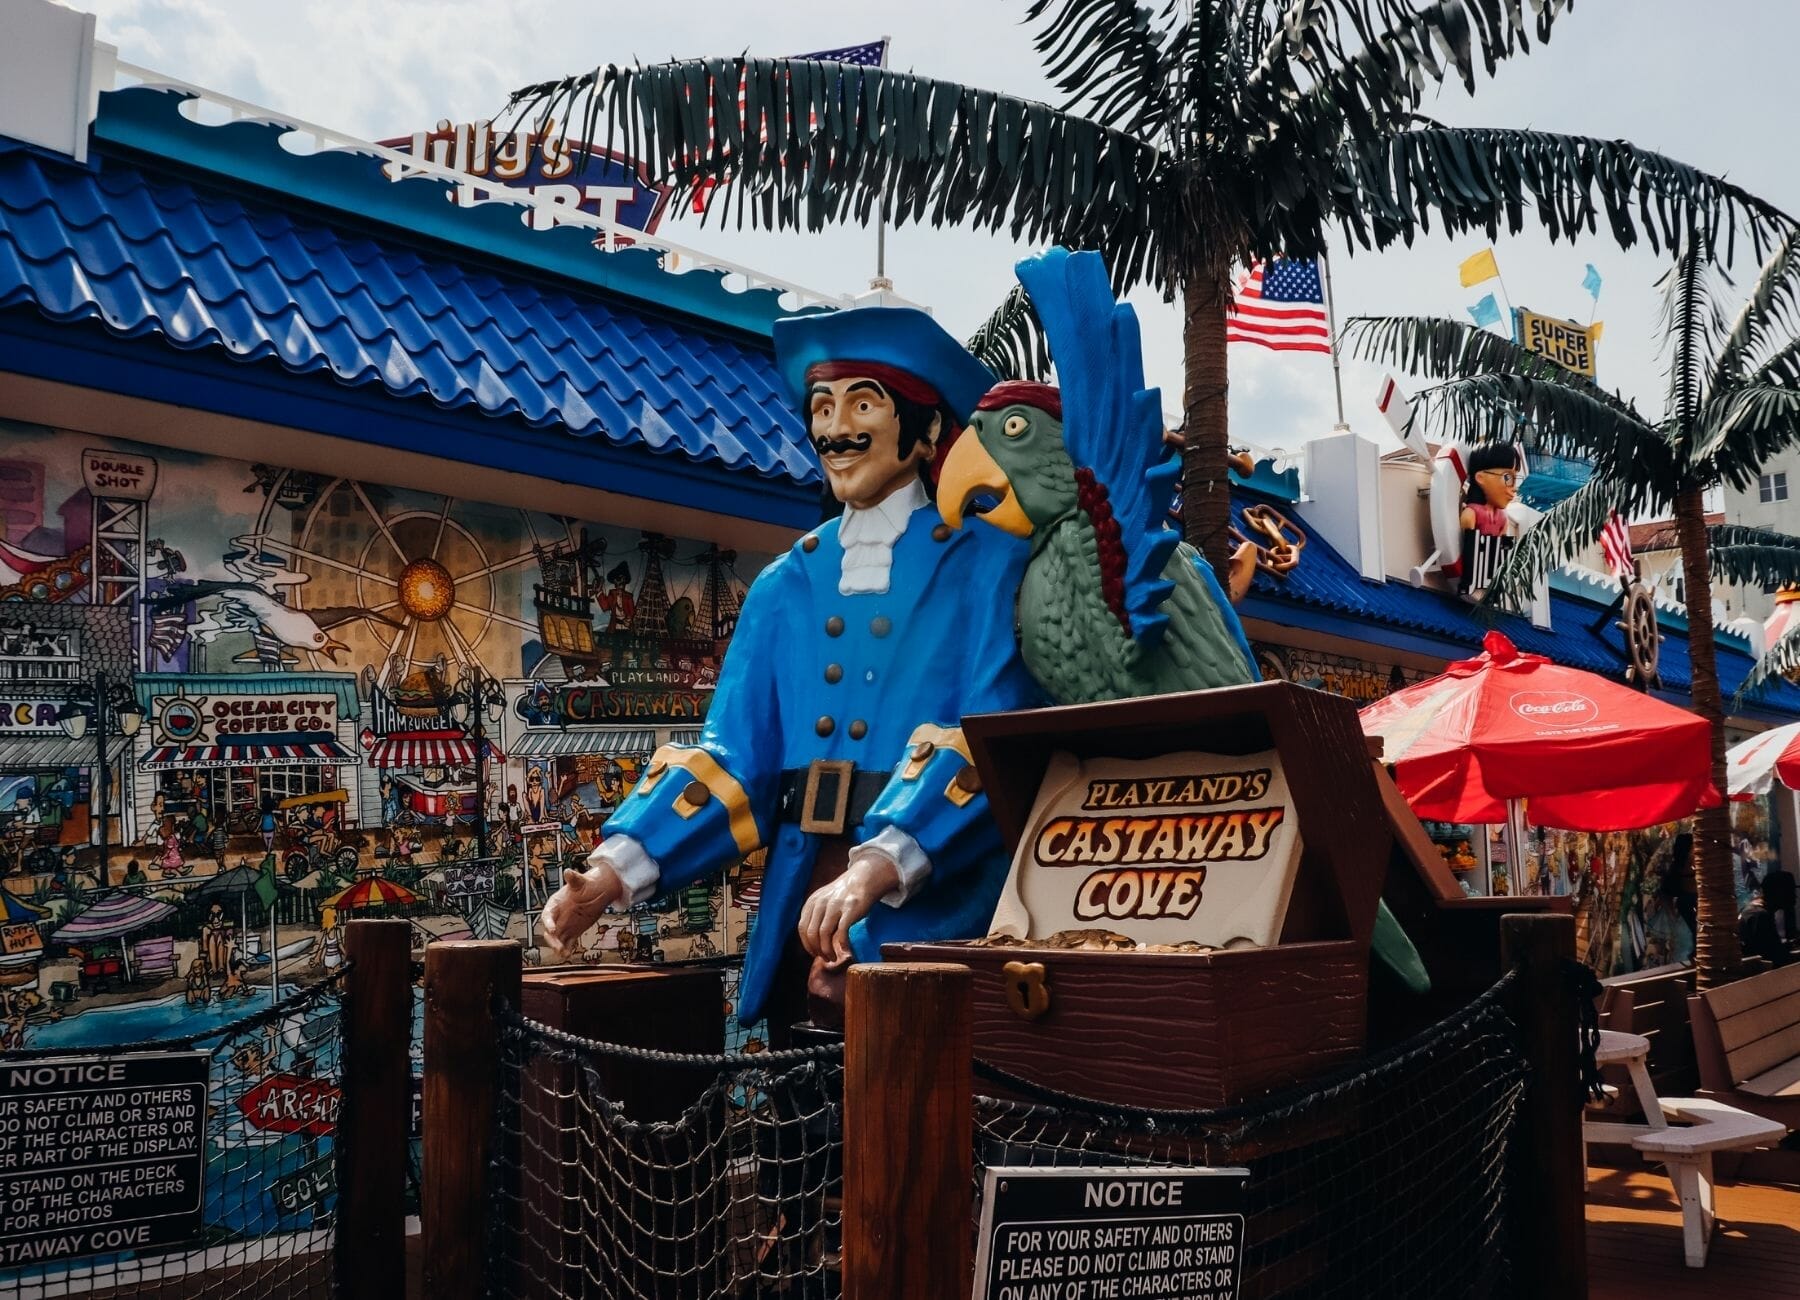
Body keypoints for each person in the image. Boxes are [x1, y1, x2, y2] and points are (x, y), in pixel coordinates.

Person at [541, 304, 1043, 1040]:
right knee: (797, 1108)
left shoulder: (992, 565)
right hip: (802, 883)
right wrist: (612, 872)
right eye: (822, 406)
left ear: (928, 430)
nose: (835, 428)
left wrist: (878, 867)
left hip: (931, 898)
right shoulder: (783, 584)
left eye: (862, 403)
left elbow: (992, 738)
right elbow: (733, 759)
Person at [1739, 870, 1795, 967]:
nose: (1795, 896)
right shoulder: (1760, 916)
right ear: (1778, 893)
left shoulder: (1753, 910)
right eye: (1790, 891)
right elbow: (1773, 958)